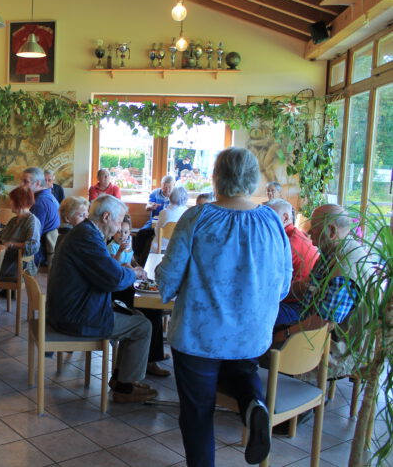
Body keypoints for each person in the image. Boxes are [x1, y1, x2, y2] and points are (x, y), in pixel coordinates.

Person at [156, 148, 292, 466]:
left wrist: (164, 282)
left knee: (198, 412)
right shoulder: (271, 220)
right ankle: (253, 403)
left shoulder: (198, 217)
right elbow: (283, 284)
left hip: (199, 334)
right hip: (250, 333)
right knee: (242, 371)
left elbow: (170, 278)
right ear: (253, 178)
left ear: (217, 177)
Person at [48, 194, 157, 403]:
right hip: (75, 316)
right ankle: (125, 389)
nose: (118, 228)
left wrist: (121, 270)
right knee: (142, 326)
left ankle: (122, 379)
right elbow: (113, 280)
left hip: (71, 308)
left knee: (136, 316)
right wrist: (133, 273)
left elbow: (105, 270)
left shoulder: (86, 232)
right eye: (119, 221)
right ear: (106, 217)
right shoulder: (87, 237)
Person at [273, 205, 372, 379]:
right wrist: (273, 297)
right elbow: (306, 285)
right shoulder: (336, 250)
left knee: (264, 345)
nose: (309, 232)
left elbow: (322, 323)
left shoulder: (345, 270)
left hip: (336, 346)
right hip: (314, 326)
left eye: (314, 227)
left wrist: (285, 334)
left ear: (331, 231)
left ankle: (278, 390)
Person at [109, 215, 171, 377]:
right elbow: (115, 269)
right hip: (116, 288)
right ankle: (150, 360)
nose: (122, 235)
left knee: (154, 309)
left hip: (125, 282)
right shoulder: (111, 246)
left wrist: (138, 268)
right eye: (119, 231)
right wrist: (130, 269)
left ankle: (154, 354)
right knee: (151, 310)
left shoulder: (127, 245)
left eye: (125, 232)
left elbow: (132, 261)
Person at [266, 198, 319, 324]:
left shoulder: (288, 243)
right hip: (300, 300)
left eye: (269, 217)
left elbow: (268, 281)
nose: (264, 222)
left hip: (296, 306)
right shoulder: (292, 235)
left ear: (285, 218)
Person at [0, 186, 41, 278]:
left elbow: (33, 246)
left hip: (17, 264)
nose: (10, 203)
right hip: (4, 259)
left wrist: (11, 244)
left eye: (12, 200)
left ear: (20, 202)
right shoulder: (14, 220)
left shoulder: (32, 221)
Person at [21, 167, 60, 266]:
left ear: (38, 183)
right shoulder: (49, 197)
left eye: (26, 181)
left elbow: (32, 239)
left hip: (38, 255)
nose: (21, 185)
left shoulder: (39, 203)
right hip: (46, 250)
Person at [133, 175, 175, 265]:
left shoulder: (176, 195)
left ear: (173, 186)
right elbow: (147, 206)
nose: (167, 190)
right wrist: (151, 206)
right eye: (164, 187)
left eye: (169, 187)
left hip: (169, 223)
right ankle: (136, 258)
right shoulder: (155, 193)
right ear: (161, 185)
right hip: (155, 222)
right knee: (141, 233)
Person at [151, 186, 188, 252]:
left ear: (170, 197)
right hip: (180, 247)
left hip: (162, 247)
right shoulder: (188, 212)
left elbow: (157, 231)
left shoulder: (164, 212)